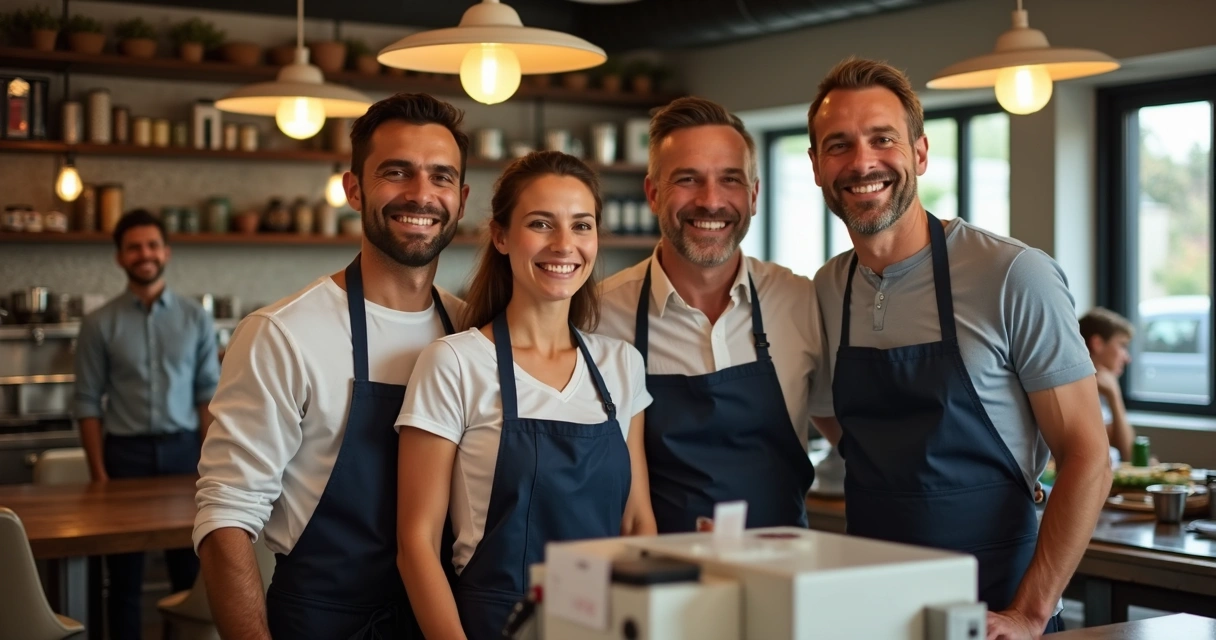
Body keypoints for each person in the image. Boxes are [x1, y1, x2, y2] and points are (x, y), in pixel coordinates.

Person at [804, 58, 1112, 638]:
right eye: (839, 145)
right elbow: (828, 408)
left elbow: (1088, 457)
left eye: (882, 139)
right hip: (872, 606)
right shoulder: (827, 288)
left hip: (995, 614)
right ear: (818, 165)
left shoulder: (1014, 274)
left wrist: (1029, 613)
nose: (862, 161)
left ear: (920, 154)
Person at [193, 93, 469, 640]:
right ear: (353, 189)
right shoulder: (283, 333)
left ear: (461, 198)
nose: (421, 193)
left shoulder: (471, 332)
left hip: (445, 621)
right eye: (397, 172)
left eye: (441, 177)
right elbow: (225, 517)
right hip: (325, 622)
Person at [396, 150, 656, 640]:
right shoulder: (454, 363)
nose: (564, 245)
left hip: (606, 624)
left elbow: (638, 520)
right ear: (500, 236)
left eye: (582, 226)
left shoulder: (621, 365)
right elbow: (416, 544)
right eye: (541, 224)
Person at [597, 96, 824, 533]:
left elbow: (852, 438)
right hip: (654, 580)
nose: (711, 200)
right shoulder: (599, 316)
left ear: (754, 195)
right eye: (688, 179)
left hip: (783, 579)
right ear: (652, 194)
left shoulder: (801, 302)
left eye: (730, 180)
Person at [73, 208, 219, 640]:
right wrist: (99, 475)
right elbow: (86, 402)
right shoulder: (99, 324)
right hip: (125, 455)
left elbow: (207, 396)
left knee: (188, 571)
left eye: (152, 245)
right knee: (123, 579)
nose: (145, 254)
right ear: (119, 257)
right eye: (134, 247)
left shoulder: (197, 319)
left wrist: (210, 464)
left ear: (166, 252)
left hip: (183, 452)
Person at [1079, 307, 1136, 462]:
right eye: (1122, 346)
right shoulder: (1076, 390)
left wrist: (1113, 395)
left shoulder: (1103, 388)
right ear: (1097, 343)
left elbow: (1128, 452)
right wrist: (1115, 395)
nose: (1127, 358)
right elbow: (1128, 455)